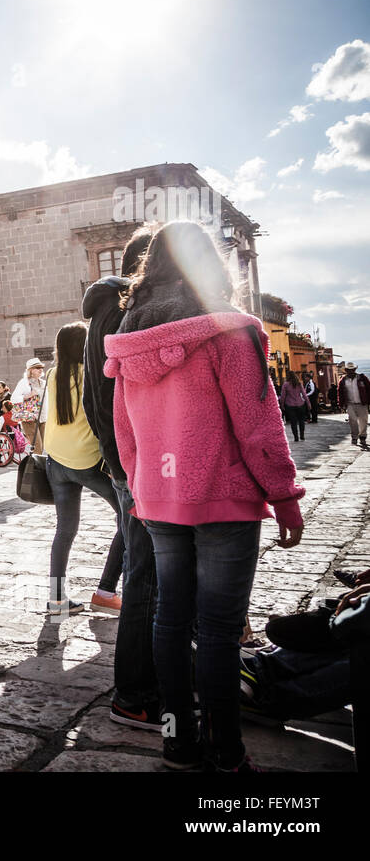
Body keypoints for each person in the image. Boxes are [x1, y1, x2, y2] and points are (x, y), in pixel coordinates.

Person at [107, 220, 305, 773]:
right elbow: (258, 424)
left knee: (169, 623)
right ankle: (225, 751)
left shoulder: (130, 338)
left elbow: (126, 432)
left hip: (160, 499)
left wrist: (145, 485)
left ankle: (178, 741)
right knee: (217, 632)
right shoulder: (229, 332)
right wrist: (285, 496)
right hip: (223, 496)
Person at [82, 224, 160, 730]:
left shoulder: (105, 311)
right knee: (148, 577)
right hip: (137, 464)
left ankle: (146, 688)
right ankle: (136, 694)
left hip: (125, 461)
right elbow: (115, 396)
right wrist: (127, 460)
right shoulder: (124, 310)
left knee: (147, 571)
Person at [41, 322, 125, 617]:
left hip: (56, 460)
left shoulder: (52, 375)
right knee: (128, 519)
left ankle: (56, 600)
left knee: (64, 531)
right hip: (86, 461)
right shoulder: (93, 374)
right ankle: (106, 589)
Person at [12, 358, 46, 449]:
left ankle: (35, 462)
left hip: (43, 418)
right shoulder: (24, 383)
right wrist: (28, 395)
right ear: (30, 370)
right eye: (37, 367)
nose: (40, 369)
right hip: (29, 418)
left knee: (43, 446)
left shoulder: (43, 383)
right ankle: (32, 463)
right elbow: (13, 399)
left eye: (41, 367)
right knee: (37, 447)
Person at [334, 362, 369, 449]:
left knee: (363, 421)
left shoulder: (362, 378)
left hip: (362, 403)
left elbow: (369, 389)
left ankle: (363, 436)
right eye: (349, 370)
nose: (351, 372)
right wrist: (341, 404)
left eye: (352, 370)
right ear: (346, 371)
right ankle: (354, 437)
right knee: (352, 421)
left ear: (355, 370)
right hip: (350, 404)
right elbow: (340, 393)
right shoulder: (343, 381)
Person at [279, 371, 308, 442]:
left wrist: (282, 405)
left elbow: (283, 396)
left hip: (290, 405)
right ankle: (302, 435)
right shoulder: (299, 384)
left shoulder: (285, 384)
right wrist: (308, 403)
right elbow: (304, 394)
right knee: (301, 421)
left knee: (293, 422)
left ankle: (296, 437)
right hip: (300, 404)